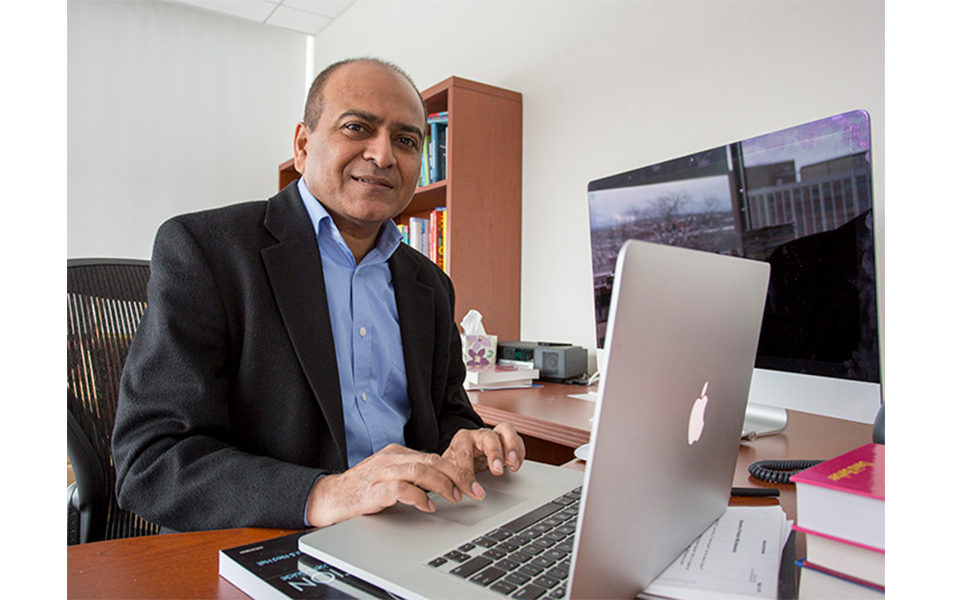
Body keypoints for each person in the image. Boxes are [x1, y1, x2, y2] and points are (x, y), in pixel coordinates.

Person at [112, 57, 525, 532]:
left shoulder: (429, 284)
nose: (384, 155)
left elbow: (448, 411)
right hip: (270, 537)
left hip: (412, 526)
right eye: (357, 128)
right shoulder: (208, 249)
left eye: (406, 140)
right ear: (303, 146)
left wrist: (470, 440)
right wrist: (325, 493)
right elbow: (152, 459)